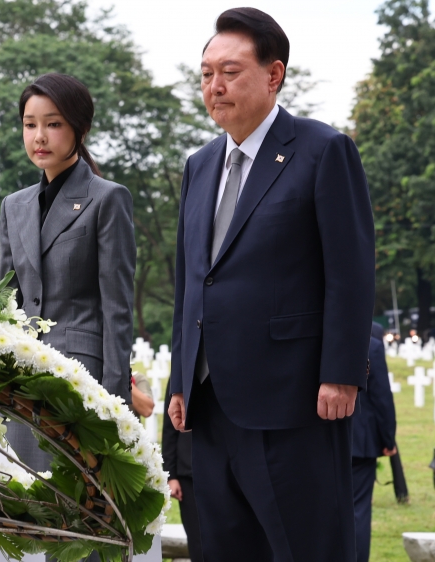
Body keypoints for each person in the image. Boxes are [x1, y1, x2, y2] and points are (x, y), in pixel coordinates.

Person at [166, 8, 375, 561]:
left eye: (230, 72)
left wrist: (342, 374)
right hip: (210, 406)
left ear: (274, 74)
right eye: (206, 73)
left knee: (307, 547)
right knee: (225, 549)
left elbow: (350, 273)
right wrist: (179, 379)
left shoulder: (322, 150)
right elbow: (193, 279)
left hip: (295, 401)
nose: (215, 86)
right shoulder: (199, 164)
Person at [0, 72, 136, 472]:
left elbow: (117, 309)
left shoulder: (107, 198)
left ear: (80, 127)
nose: (39, 136)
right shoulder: (14, 206)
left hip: (81, 378)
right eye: (30, 124)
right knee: (23, 510)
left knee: (75, 509)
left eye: (53, 123)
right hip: (22, 379)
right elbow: (9, 303)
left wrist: (114, 404)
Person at [352, 328, 397, 562]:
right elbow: (381, 396)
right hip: (360, 439)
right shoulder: (372, 345)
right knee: (358, 510)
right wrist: (388, 439)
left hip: (320, 438)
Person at [161, 385, 203, 562]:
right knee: (197, 541)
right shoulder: (179, 377)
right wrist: (171, 476)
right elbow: (169, 430)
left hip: (223, 469)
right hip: (188, 473)